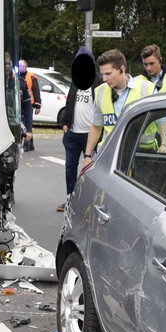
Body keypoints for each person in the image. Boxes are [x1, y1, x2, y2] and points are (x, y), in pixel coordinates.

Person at [83, 49, 155, 168]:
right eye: (102, 74)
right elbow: (96, 125)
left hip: (141, 155)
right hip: (108, 155)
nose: (104, 78)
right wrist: (87, 156)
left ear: (121, 69)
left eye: (108, 73)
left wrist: (165, 144)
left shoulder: (147, 89)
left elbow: (162, 120)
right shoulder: (100, 91)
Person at [57, 47, 100, 212]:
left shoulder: (99, 81)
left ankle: (88, 202)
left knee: (90, 171)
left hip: (91, 136)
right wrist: (65, 123)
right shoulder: (75, 81)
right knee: (70, 168)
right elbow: (69, 103)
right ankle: (70, 199)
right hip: (73, 134)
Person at [18, 59, 41, 151]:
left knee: (28, 123)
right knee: (24, 123)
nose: (20, 68)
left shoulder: (31, 77)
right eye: (19, 66)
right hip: (20, 103)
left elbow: (36, 91)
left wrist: (38, 105)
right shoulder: (16, 76)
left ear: (25, 67)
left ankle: (27, 144)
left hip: (29, 103)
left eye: (21, 66)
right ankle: (30, 144)